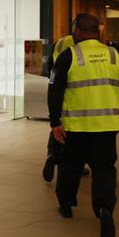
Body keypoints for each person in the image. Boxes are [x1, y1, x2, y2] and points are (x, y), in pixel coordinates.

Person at [48, 14, 119, 237]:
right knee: (104, 168)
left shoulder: (68, 56)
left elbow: (54, 90)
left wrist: (55, 122)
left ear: (76, 30)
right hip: (107, 125)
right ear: (98, 31)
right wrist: (108, 105)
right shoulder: (114, 55)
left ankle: (65, 205)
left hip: (76, 126)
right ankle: (104, 209)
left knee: (70, 166)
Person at [41, 34, 74, 182]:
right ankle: (75, 165)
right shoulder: (83, 43)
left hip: (57, 87)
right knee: (73, 130)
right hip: (75, 92)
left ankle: (52, 155)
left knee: (57, 125)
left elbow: (49, 66)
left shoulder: (59, 42)